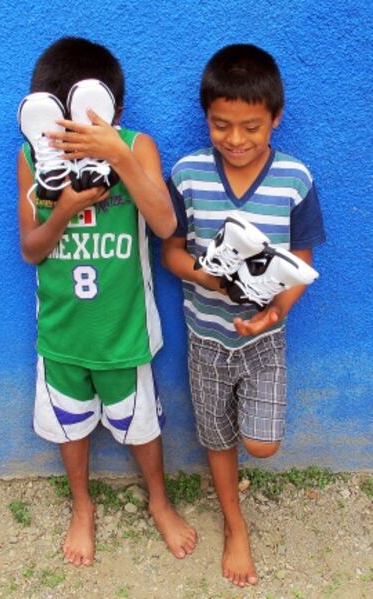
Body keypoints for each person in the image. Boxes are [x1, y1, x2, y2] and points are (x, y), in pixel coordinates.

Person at [18, 36, 196, 567]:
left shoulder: (136, 146)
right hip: (63, 331)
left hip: (125, 330)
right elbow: (30, 250)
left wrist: (116, 152)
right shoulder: (33, 158)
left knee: (141, 425)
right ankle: (82, 506)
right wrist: (64, 208)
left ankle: (159, 502)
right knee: (69, 427)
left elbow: (166, 224)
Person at [162, 44, 326, 587]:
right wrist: (205, 276)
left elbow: (302, 261)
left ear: (276, 118)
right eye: (221, 125)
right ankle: (235, 525)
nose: (236, 139)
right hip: (204, 335)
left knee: (261, 443)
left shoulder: (295, 179)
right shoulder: (187, 174)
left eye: (252, 127)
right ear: (206, 117)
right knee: (215, 437)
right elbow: (171, 251)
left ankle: (240, 473)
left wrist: (273, 312)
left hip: (265, 337)